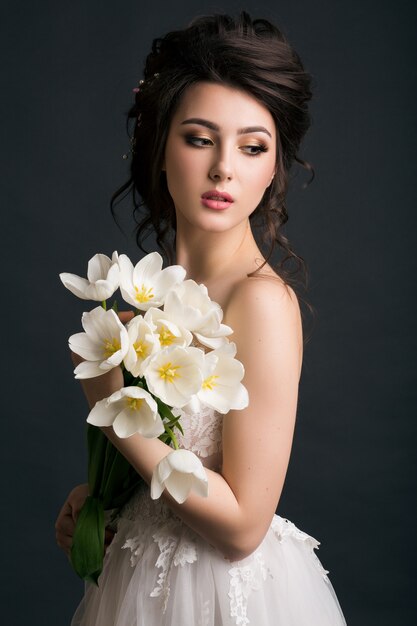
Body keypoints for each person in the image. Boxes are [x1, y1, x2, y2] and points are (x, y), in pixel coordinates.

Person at [56, 12, 347, 625]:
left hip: (225, 597)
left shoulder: (259, 301)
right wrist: (102, 503)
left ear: (274, 170)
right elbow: (170, 477)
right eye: (199, 137)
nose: (224, 169)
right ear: (158, 146)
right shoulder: (147, 298)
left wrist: (120, 423)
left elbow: (242, 526)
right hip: (138, 587)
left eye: (252, 146)